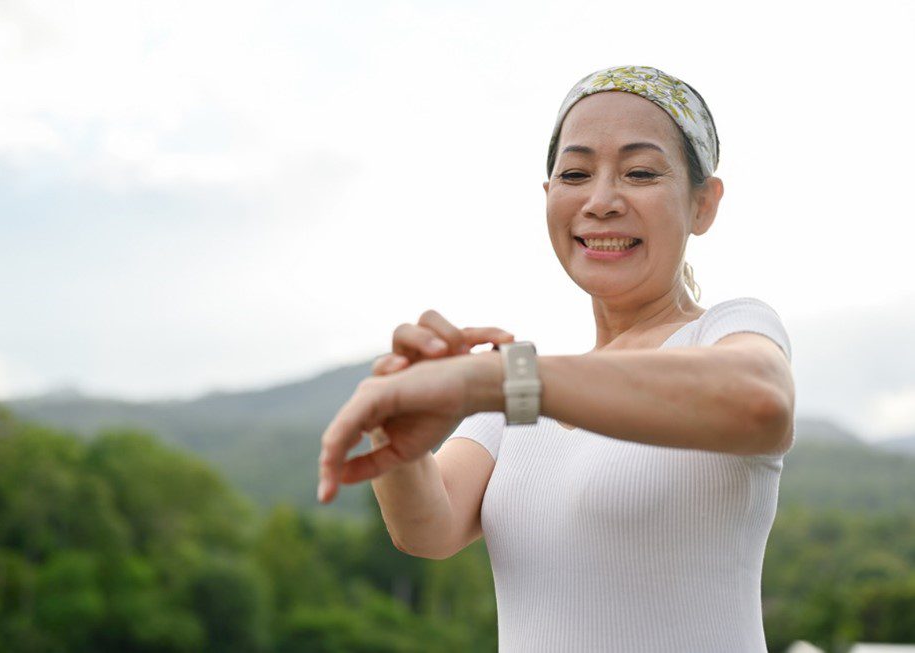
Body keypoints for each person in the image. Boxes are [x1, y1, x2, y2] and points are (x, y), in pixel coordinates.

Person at [317, 64, 796, 652]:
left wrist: (497, 379)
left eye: (640, 172)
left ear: (703, 204)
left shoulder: (726, 331)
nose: (601, 201)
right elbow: (427, 528)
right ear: (549, 198)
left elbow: (760, 402)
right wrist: (401, 435)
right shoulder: (521, 391)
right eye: (575, 173)